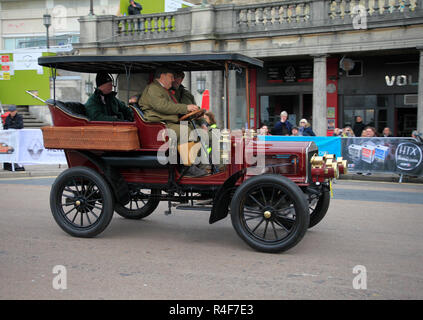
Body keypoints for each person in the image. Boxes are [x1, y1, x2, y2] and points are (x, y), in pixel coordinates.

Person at [139, 67, 206, 177]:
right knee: (184, 130)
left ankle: (196, 163)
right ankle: (187, 168)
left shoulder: (162, 90)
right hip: (157, 125)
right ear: (162, 76)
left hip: (164, 122)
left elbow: (170, 107)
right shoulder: (154, 89)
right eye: (171, 77)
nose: (173, 79)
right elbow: (162, 106)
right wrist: (186, 108)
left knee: (192, 129)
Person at [3, 105, 25, 171]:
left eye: (13, 111)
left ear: (16, 111)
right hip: (9, 138)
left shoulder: (19, 117)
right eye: (10, 111)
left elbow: (20, 126)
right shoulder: (7, 118)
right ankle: (8, 165)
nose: (12, 113)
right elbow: (6, 126)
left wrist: (12, 127)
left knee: (16, 150)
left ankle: (17, 164)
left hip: (17, 138)